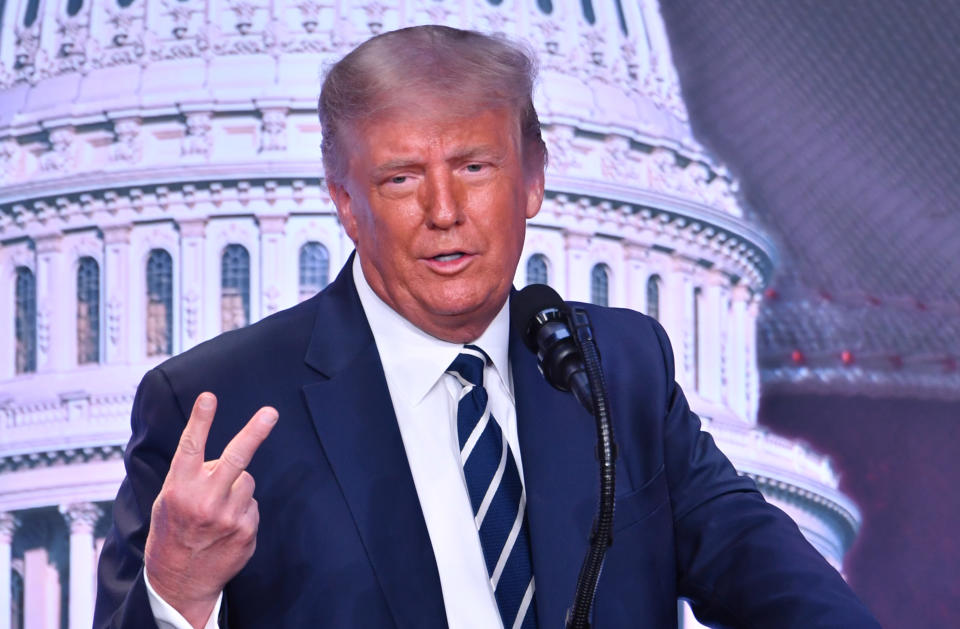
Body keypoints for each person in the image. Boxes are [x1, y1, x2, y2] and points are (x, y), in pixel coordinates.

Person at [94, 25, 880, 629]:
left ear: (533, 178)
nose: (444, 212)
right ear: (344, 202)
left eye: (474, 166)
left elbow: (756, 560)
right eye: (401, 178)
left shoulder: (616, 367)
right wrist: (176, 589)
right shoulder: (220, 406)